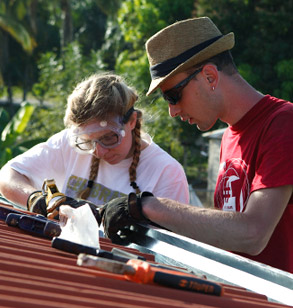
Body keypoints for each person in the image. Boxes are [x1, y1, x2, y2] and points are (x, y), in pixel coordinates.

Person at [100, 17, 293, 273]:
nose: (172, 111)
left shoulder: (283, 123)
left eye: (173, 95)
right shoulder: (228, 137)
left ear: (210, 76)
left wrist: (149, 206)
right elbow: (227, 229)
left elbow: (253, 233)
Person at [0, 72, 189, 216]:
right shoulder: (68, 146)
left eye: (108, 138)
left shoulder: (167, 173)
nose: (98, 151)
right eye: (87, 141)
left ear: (132, 121)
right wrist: (36, 200)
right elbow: (7, 175)